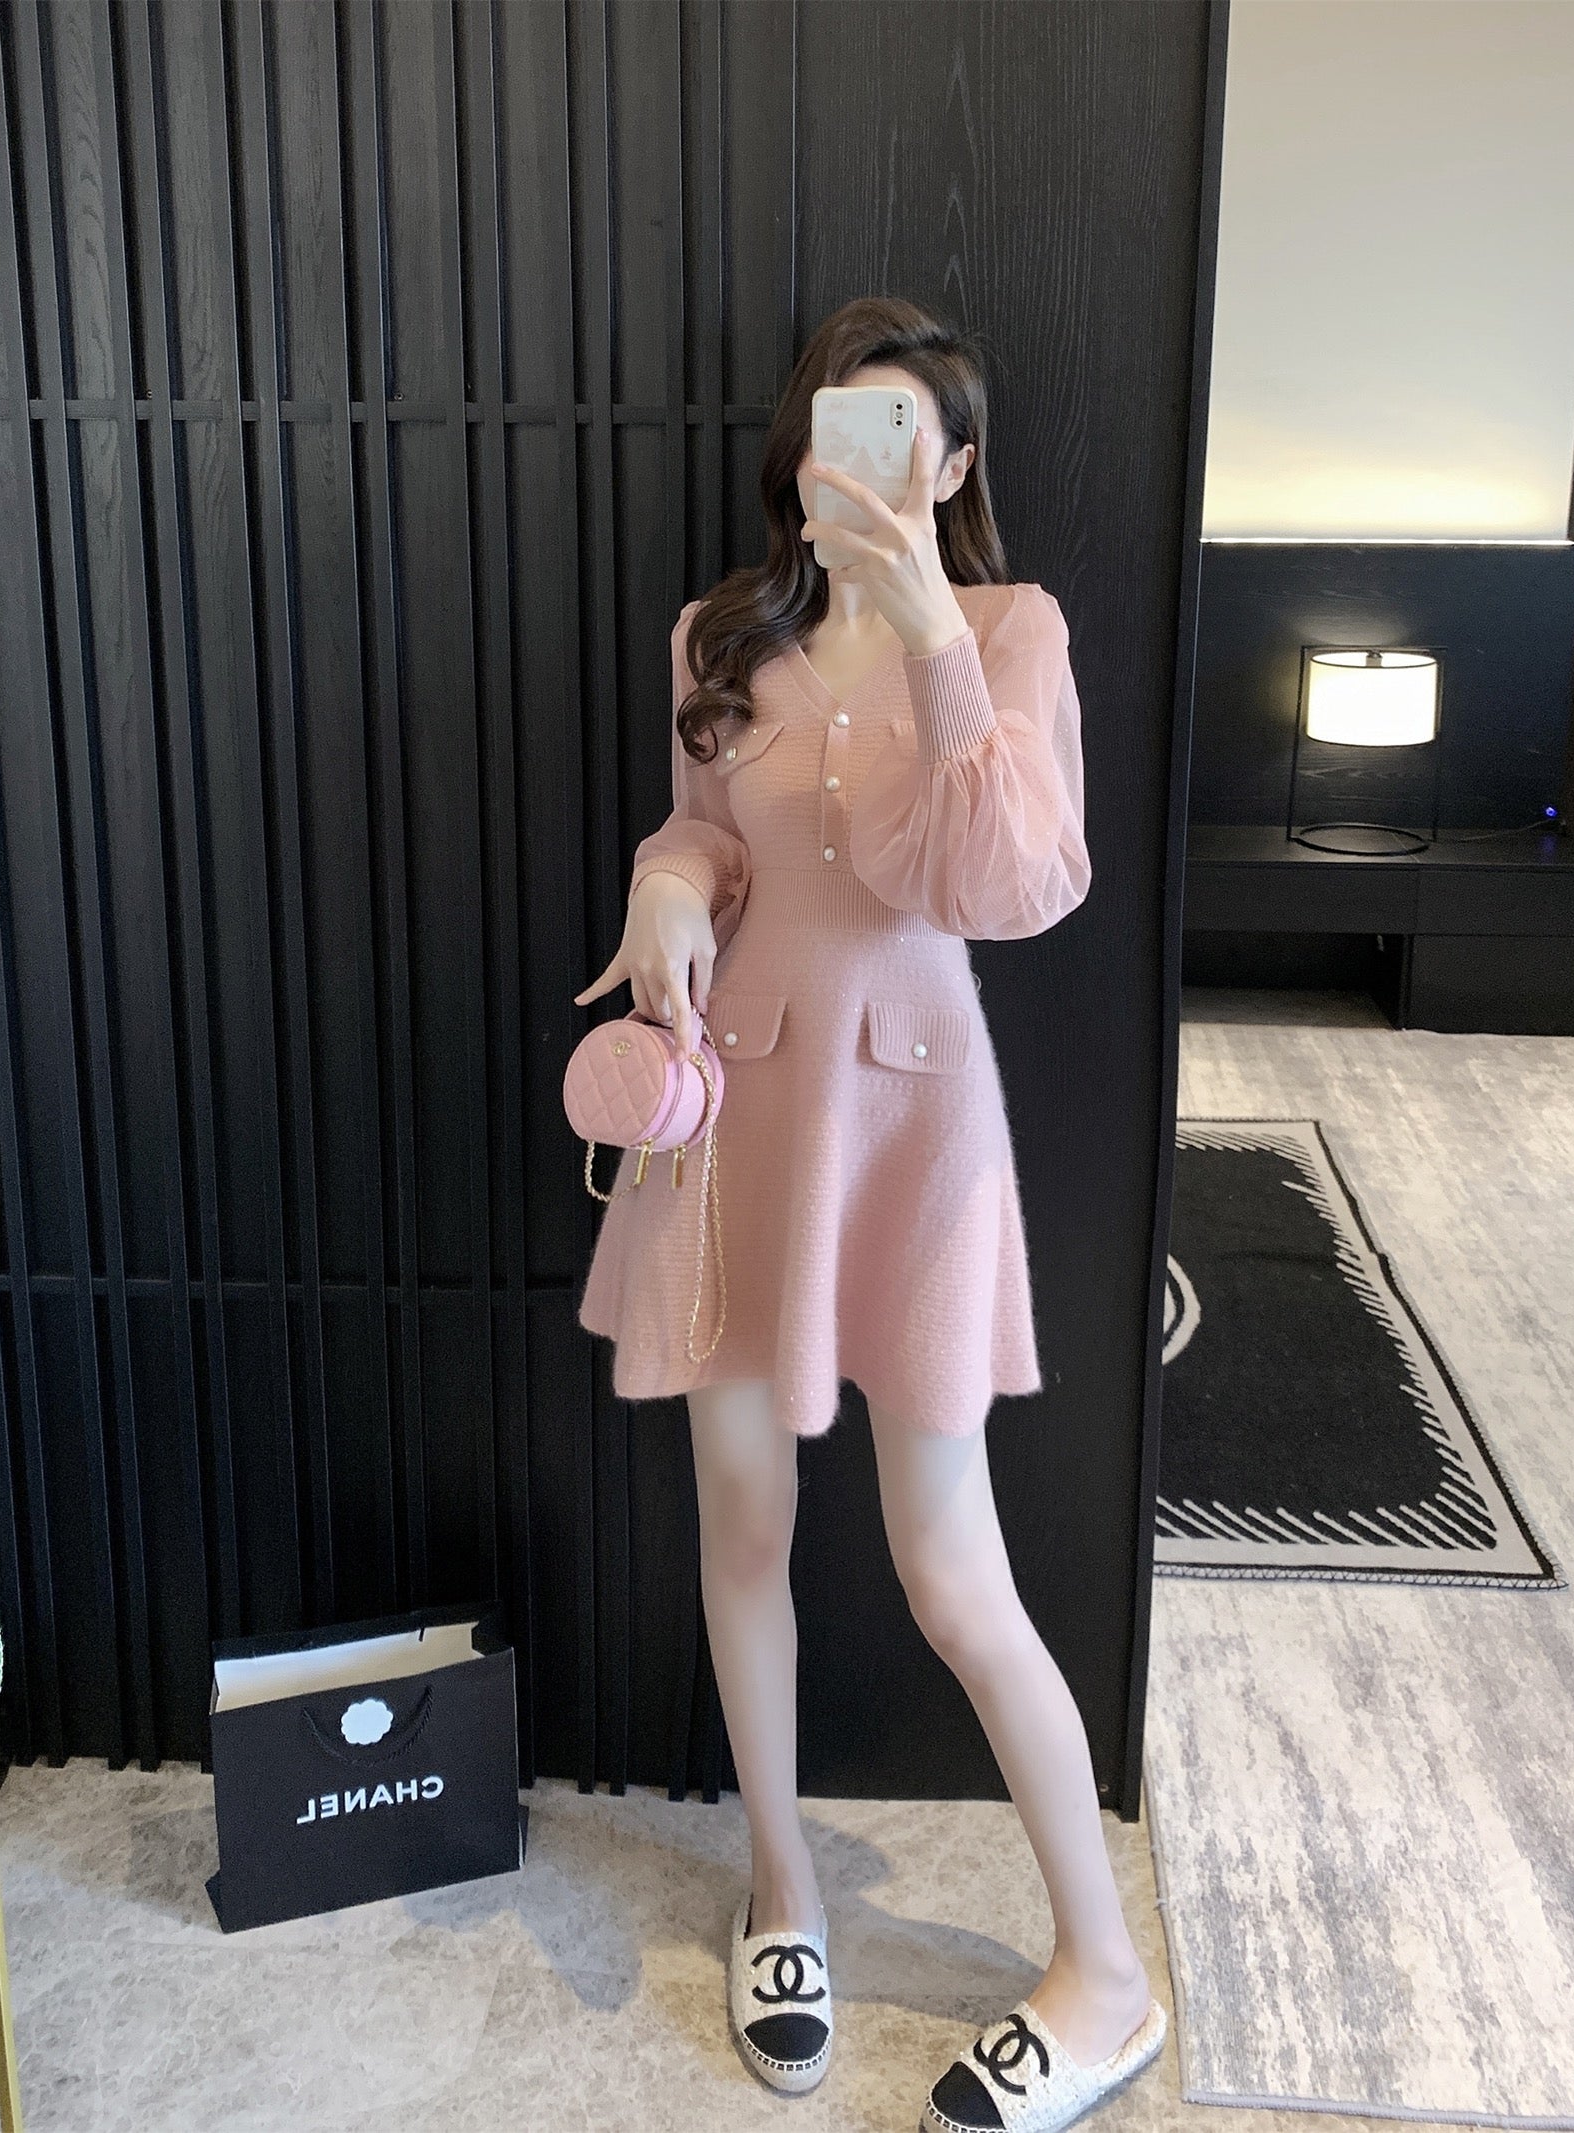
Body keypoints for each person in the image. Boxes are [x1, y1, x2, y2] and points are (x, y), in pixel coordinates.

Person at [573, 297, 1166, 2130]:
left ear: (954, 465)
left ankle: (1109, 1975)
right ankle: (784, 1892)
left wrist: (928, 635)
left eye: (912, 434)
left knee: (950, 1569)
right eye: (849, 425)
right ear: (804, 447)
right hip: (737, 1116)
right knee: (742, 1522)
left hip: (913, 1130)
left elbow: (1017, 881)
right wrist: (669, 884)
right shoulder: (719, 634)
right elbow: (711, 832)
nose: (876, 461)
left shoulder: (1011, 627)